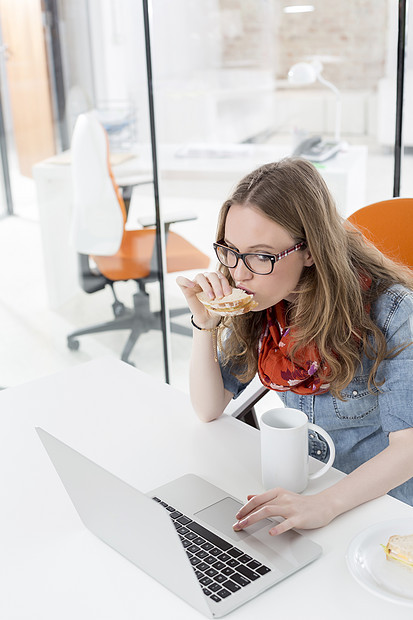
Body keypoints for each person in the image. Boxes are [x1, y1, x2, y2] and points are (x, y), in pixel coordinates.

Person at [176, 157, 413, 537]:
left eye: (261, 255)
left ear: (311, 251)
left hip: (376, 501)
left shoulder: (392, 312)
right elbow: (208, 407)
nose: (239, 272)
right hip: (306, 483)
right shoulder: (266, 304)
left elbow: (409, 449)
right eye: (230, 250)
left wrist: (325, 504)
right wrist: (205, 323)